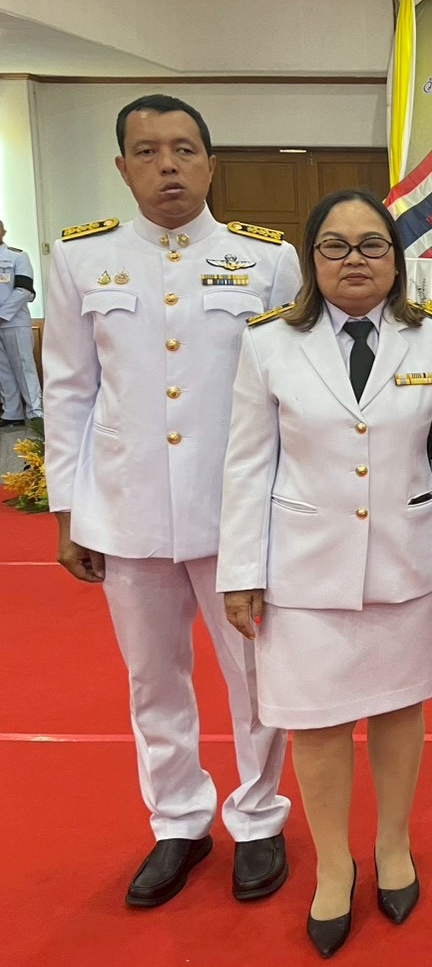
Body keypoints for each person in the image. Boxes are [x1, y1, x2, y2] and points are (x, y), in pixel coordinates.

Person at [43, 95, 299, 908]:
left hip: (237, 513)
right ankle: (178, 821)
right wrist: (68, 509)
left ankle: (258, 818)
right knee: (153, 678)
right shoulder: (82, 260)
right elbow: (70, 392)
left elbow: (292, 394)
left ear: (211, 163)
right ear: (122, 169)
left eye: (184, 150)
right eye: (147, 153)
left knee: (254, 676)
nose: (167, 167)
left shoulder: (267, 261)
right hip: (128, 510)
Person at [217, 189, 432, 957]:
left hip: (406, 559)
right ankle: (335, 864)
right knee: (317, 722)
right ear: (311, 259)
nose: (353, 260)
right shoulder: (268, 344)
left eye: (371, 245)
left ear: (395, 260)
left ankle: (392, 847)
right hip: (302, 568)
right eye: (335, 246)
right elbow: (245, 464)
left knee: (399, 711)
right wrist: (241, 568)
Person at [0, 218, 42, 426]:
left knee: (24, 366)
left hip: (14, 321)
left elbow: (24, 289)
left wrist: (2, 314)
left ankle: (36, 412)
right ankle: (12, 412)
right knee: (2, 369)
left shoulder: (17, 256)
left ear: (3, 232)